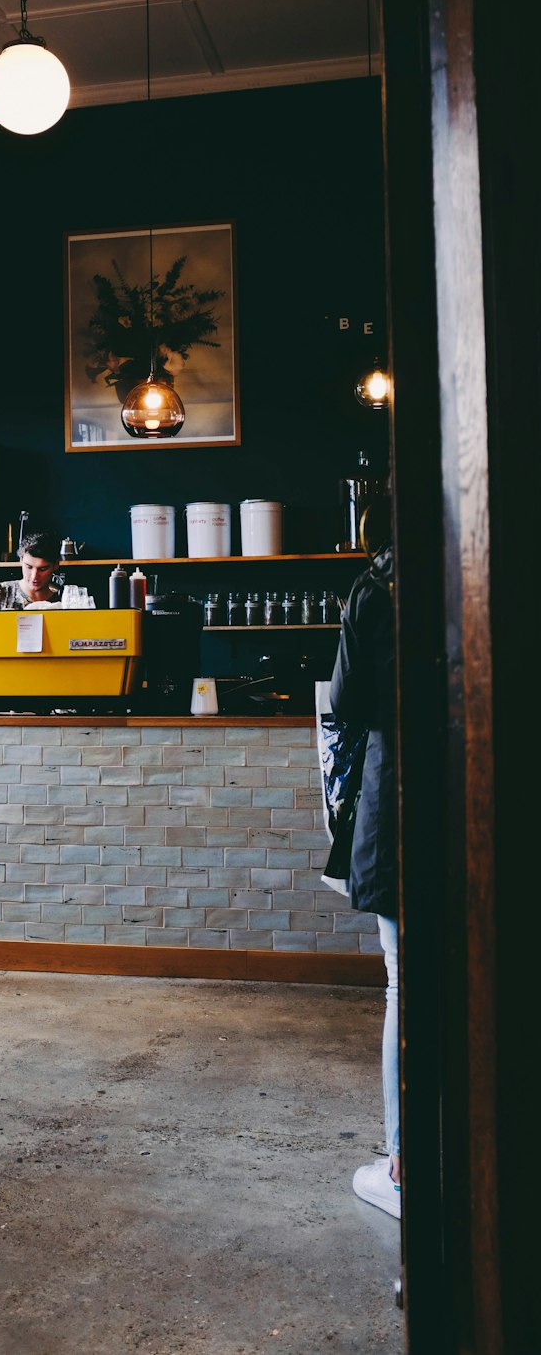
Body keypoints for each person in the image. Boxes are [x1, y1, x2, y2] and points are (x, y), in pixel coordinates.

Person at [329, 493, 401, 1220]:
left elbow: (347, 701)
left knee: (403, 983)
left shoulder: (376, 585)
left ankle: (407, 1166)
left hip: (400, 792)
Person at [0, 529, 63, 610]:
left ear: (56, 564)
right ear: (21, 560)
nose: (34, 576)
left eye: (42, 569)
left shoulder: (66, 601)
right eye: (29, 567)